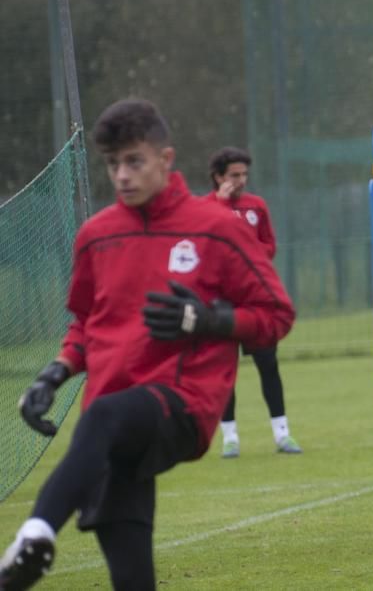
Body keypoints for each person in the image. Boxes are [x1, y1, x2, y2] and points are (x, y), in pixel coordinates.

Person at [0, 99, 295, 590]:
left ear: (165, 158)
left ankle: (34, 534)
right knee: (131, 573)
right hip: (109, 425)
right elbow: (86, 323)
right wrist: (54, 373)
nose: (121, 174)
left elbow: (276, 315)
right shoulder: (96, 236)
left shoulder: (214, 228)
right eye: (113, 163)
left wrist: (210, 320)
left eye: (133, 160)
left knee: (105, 416)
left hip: (182, 404)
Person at [207, 147, 302, 457]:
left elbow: (269, 246)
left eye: (245, 174)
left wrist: (244, 256)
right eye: (235, 175)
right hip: (220, 305)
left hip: (256, 303)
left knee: (268, 365)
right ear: (219, 177)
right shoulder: (205, 208)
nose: (241, 180)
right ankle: (230, 438)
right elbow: (205, 246)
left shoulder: (256, 206)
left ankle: (282, 435)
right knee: (224, 370)